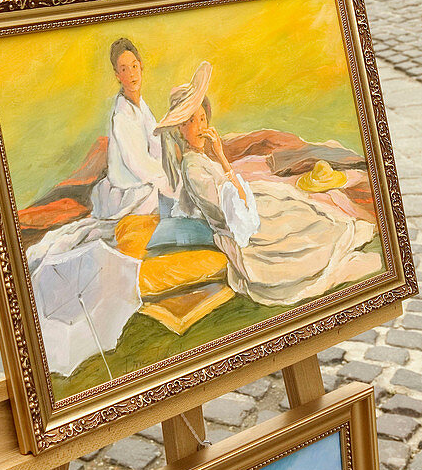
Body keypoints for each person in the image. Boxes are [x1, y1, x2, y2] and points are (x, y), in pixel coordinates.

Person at [156, 63, 381, 307]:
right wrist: (221, 157)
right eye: (192, 121)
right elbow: (228, 210)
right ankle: (337, 253)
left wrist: (223, 161)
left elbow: (230, 193)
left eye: (202, 118)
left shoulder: (198, 158)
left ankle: (346, 238)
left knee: (290, 206)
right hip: (236, 226)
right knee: (285, 232)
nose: (201, 126)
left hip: (241, 207)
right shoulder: (192, 166)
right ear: (180, 128)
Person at [90, 37, 175, 220]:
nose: (131, 74)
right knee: (175, 198)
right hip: (130, 191)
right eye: (124, 69)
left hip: (147, 180)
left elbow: (156, 146)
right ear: (117, 75)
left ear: (141, 66)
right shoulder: (121, 116)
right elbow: (138, 165)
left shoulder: (142, 107)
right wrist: (165, 178)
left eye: (134, 66)